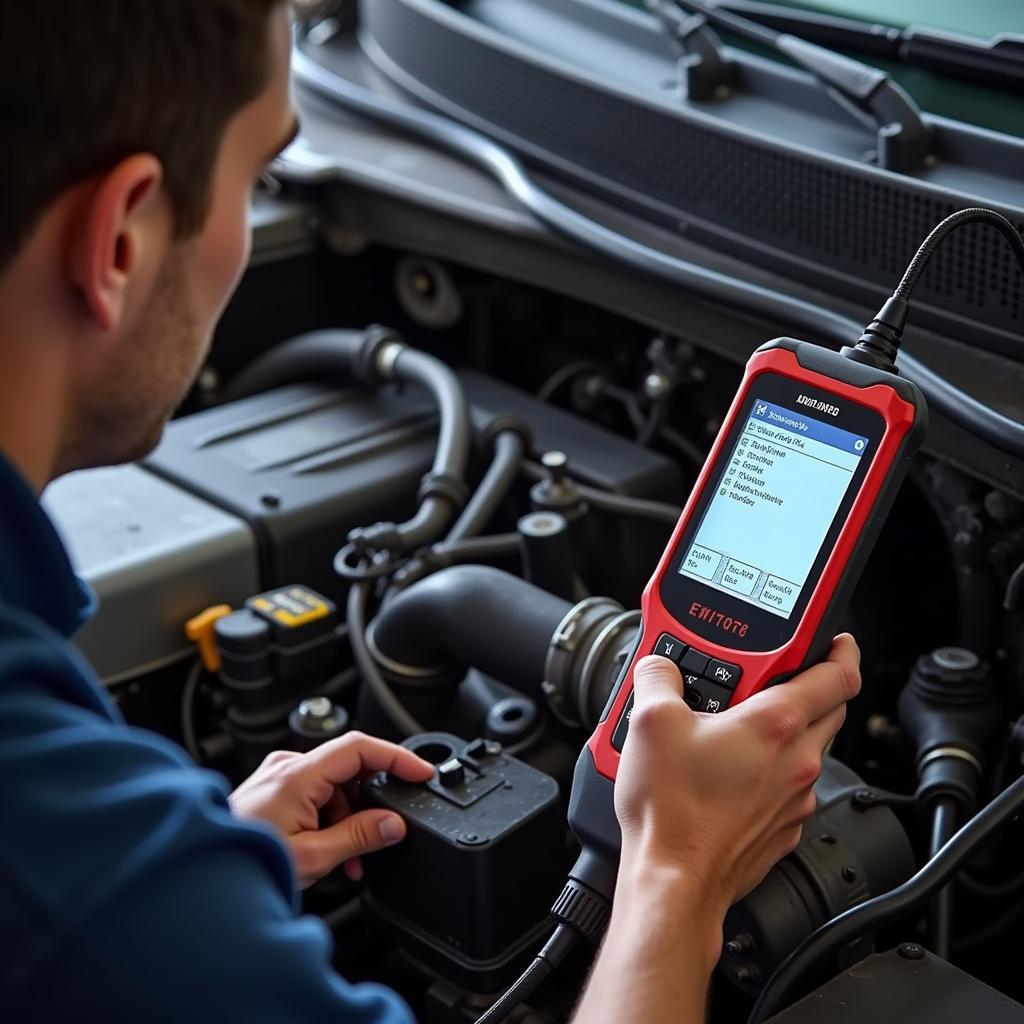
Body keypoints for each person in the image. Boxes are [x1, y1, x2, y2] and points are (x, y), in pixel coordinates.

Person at [0, 2, 861, 1021]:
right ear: (121, 241)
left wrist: (187, 872)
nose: (256, 212)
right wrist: (677, 878)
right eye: (261, 178)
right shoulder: (71, 858)